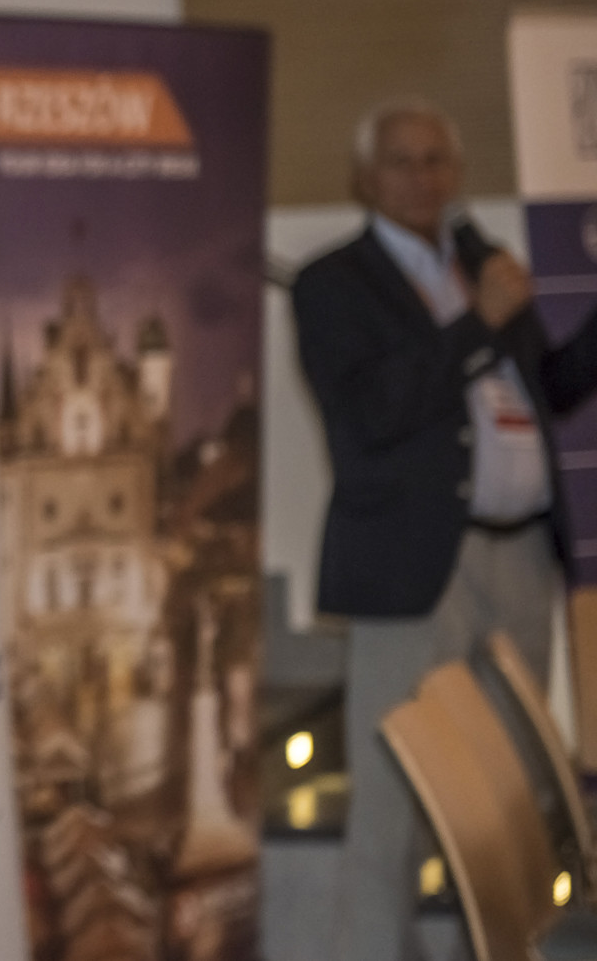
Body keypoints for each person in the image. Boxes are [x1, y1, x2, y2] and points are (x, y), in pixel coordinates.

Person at [293, 98, 597, 961]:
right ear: (363, 178)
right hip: (416, 566)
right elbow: (373, 413)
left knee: (513, 793)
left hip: (521, 555)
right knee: (394, 797)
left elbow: (552, 388)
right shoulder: (332, 283)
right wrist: (478, 322)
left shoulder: (480, 264)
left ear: (457, 174)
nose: (422, 177)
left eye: (436, 160)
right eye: (401, 160)